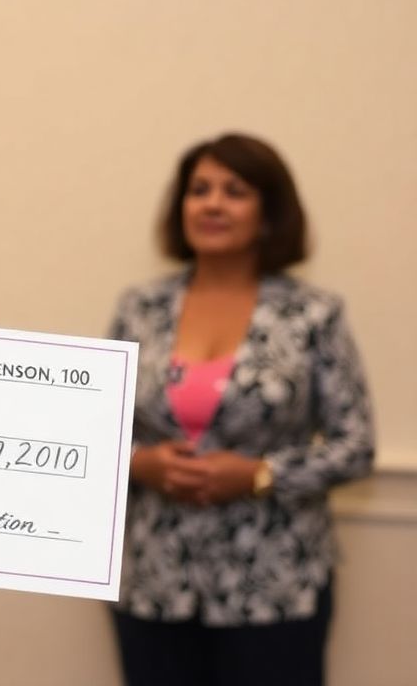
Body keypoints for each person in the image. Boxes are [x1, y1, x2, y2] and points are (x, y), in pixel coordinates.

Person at [107, 132, 375, 686]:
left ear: (270, 213)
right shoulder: (141, 309)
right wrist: (141, 463)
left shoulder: (312, 315)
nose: (211, 203)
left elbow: (356, 444)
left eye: (235, 191)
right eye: (198, 190)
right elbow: (96, 430)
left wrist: (260, 474)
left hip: (276, 584)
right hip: (155, 578)